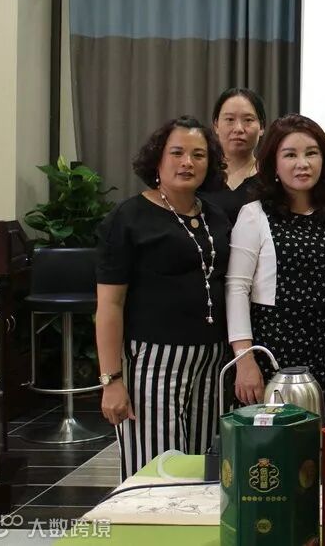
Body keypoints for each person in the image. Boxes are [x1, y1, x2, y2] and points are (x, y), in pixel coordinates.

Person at [96, 116, 231, 480]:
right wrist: (111, 380)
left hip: (211, 361)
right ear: (157, 158)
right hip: (153, 361)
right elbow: (109, 305)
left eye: (199, 155)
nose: (188, 162)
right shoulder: (129, 217)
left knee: (203, 469)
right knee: (157, 472)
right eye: (177, 152)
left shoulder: (216, 216)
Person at [226, 114, 325, 423]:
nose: (302, 164)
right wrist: (244, 360)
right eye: (290, 155)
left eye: (311, 153)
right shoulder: (254, 214)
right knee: (275, 441)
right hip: (272, 350)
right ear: (273, 164)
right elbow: (237, 288)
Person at [201, 88, 267, 222]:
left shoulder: (270, 178)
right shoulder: (201, 173)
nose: (238, 129)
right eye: (230, 119)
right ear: (216, 125)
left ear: (261, 127)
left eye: (248, 120)